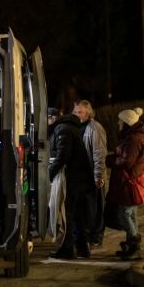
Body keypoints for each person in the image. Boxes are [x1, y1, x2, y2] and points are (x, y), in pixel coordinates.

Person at [48, 109, 94, 259]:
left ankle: (67, 249)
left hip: (72, 179)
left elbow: (63, 155)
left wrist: (49, 174)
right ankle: (82, 248)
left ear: (52, 118)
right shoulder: (72, 128)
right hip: (81, 179)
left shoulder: (62, 129)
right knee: (78, 215)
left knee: (66, 213)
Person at [106, 107, 144, 260]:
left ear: (126, 123)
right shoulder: (133, 136)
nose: (118, 122)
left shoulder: (133, 139)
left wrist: (108, 160)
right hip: (130, 180)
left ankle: (134, 243)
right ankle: (132, 246)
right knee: (131, 214)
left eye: (120, 120)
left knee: (124, 213)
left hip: (129, 181)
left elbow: (127, 161)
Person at [72, 100, 108, 248]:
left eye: (80, 112)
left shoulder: (94, 128)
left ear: (88, 114)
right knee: (83, 209)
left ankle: (95, 237)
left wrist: (98, 176)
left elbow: (99, 153)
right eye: (75, 111)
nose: (76, 114)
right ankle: (83, 236)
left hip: (92, 176)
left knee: (95, 208)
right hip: (80, 177)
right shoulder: (75, 127)